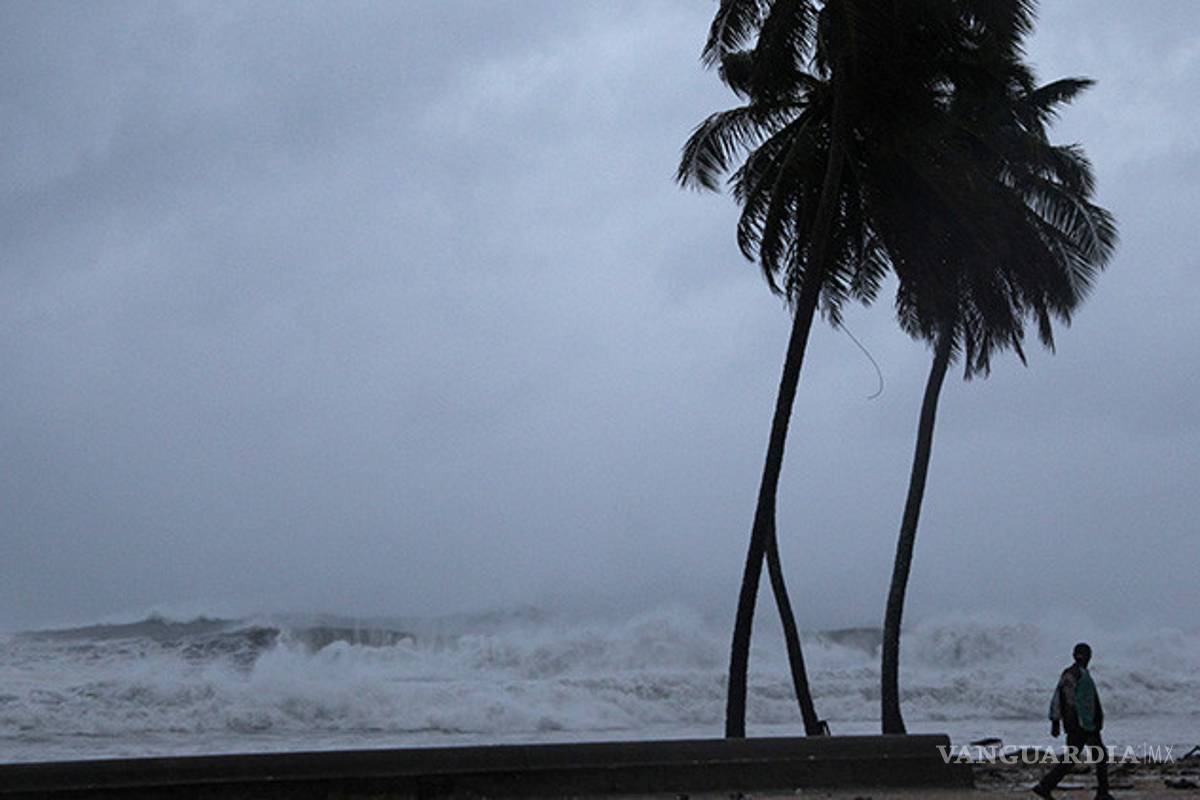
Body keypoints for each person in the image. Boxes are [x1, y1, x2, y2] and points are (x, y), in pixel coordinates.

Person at [1033, 642, 1113, 799]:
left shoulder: (1080, 674)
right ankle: (1045, 786)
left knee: (1090, 756)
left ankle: (1046, 786)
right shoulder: (1073, 674)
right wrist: (1056, 721)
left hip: (1086, 724)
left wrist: (1057, 721)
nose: (1084, 657)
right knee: (1086, 756)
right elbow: (1062, 699)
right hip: (1080, 725)